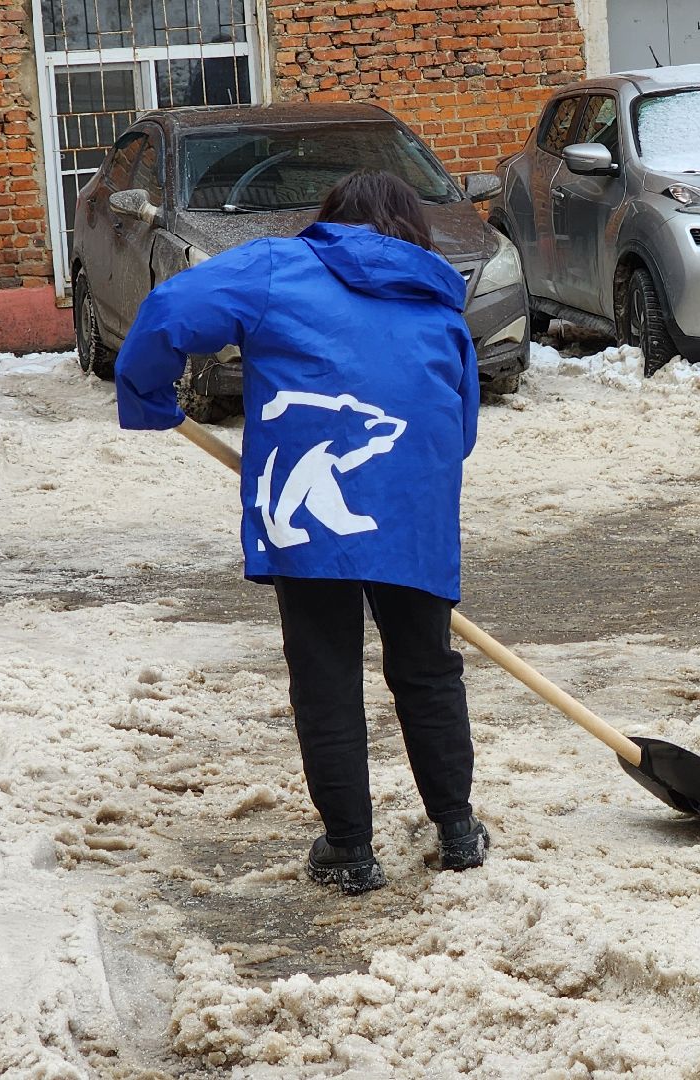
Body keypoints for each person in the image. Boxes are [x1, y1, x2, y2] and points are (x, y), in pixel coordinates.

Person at [113, 171, 489, 894]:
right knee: (427, 668)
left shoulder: (278, 267)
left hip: (306, 509)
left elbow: (169, 312)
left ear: (330, 217)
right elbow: (462, 426)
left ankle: (350, 851)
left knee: (326, 675)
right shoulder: (437, 303)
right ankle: (458, 830)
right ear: (409, 227)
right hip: (412, 507)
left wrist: (146, 391)